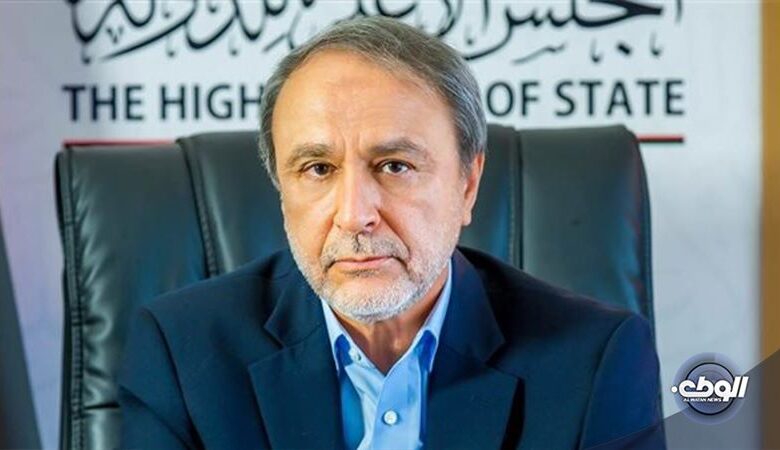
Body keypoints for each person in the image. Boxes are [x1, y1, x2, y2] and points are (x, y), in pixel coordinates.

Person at [118, 16, 663, 450]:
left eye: (395, 166)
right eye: (317, 169)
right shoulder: (182, 353)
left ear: (468, 184)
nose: (355, 215)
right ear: (281, 187)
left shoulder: (595, 361)